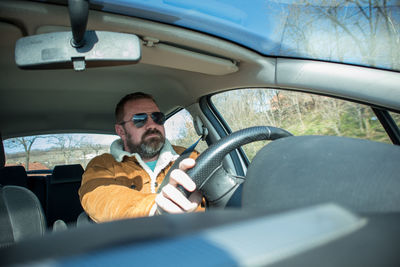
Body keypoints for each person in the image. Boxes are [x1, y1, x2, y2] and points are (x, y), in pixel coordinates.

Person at [78, 92, 202, 223]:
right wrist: (154, 208)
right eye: (139, 120)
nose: (152, 125)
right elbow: (98, 196)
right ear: (121, 131)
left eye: (157, 117)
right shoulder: (103, 164)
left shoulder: (188, 156)